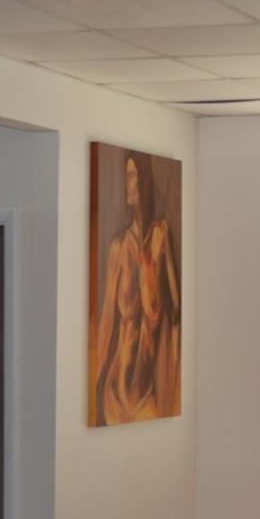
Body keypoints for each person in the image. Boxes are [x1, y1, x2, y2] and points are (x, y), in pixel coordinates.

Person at [91, 150, 180, 425]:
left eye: (132, 176)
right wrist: (95, 386)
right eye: (126, 177)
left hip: (147, 395)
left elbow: (176, 313)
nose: (127, 185)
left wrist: (159, 258)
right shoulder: (118, 248)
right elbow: (107, 321)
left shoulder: (161, 237)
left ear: (144, 181)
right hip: (115, 392)